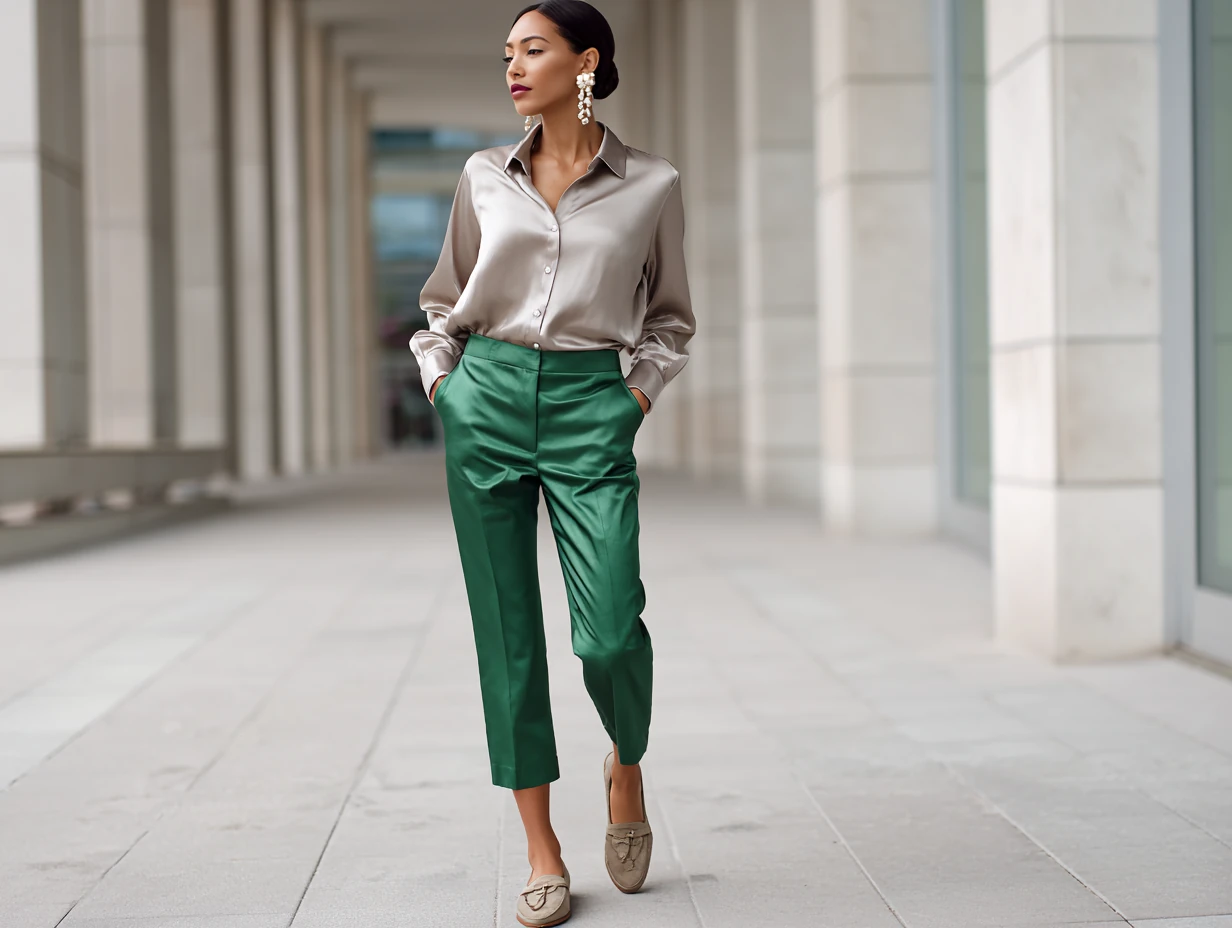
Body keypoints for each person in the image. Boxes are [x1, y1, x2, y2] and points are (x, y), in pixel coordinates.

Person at [409, 2, 695, 924]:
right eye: (506, 54)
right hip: (485, 398)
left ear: (586, 61)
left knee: (610, 628)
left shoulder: (651, 183)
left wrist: (633, 399)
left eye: (531, 50)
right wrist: (443, 383)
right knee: (510, 637)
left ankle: (627, 763)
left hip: (588, 405)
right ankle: (541, 848)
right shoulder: (483, 177)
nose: (512, 67)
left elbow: (672, 319)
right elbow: (443, 299)